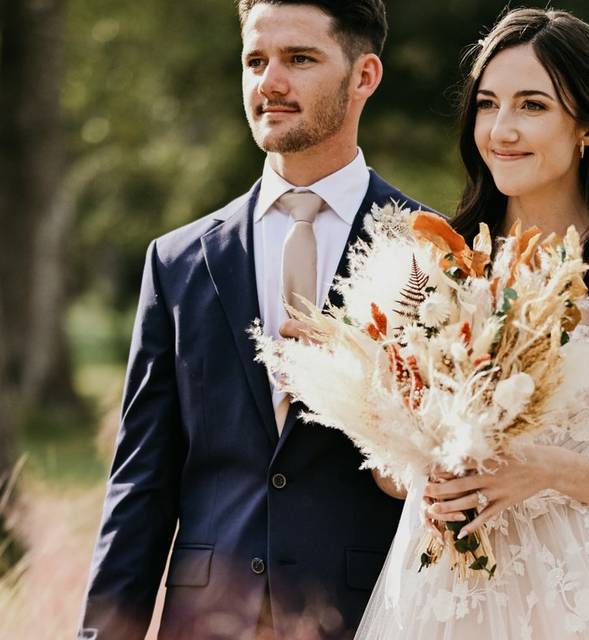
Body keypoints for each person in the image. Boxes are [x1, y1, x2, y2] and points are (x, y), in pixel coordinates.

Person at [356, 8, 589, 639]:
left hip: (580, 601)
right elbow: (393, 476)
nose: (501, 129)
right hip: (440, 597)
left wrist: (546, 470)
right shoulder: (437, 264)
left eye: (532, 106)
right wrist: (424, 462)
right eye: (487, 104)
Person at [78, 1, 423, 638]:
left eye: (299, 59)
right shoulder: (177, 261)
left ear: (364, 76)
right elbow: (141, 483)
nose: (270, 82)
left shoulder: (430, 253)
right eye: (255, 61)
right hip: (207, 618)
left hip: (370, 613)